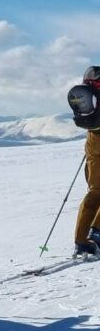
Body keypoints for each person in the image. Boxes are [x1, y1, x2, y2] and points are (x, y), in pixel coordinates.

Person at [73, 66, 100, 256]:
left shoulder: (89, 78)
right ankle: (98, 233)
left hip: (93, 139)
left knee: (95, 191)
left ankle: (82, 241)